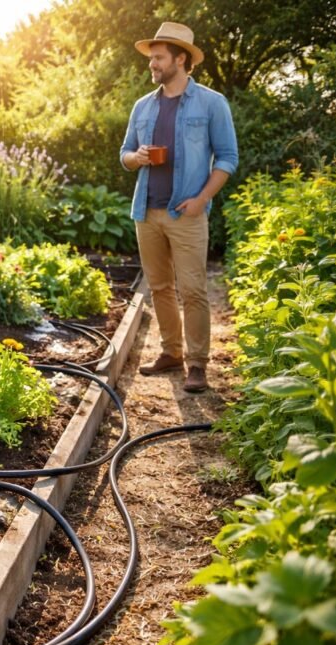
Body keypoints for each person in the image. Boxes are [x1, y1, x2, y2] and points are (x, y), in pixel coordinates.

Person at [120, 22, 238, 393]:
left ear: (180, 58)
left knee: (193, 290)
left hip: (186, 213)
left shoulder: (211, 103)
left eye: (158, 58)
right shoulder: (143, 106)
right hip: (147, 211)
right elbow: (124, 155)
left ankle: (198, 364)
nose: (151, 64)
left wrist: (202, 199)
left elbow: (228, 158)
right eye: (151, 58)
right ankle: (171, 352)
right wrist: (136, 158)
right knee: (159, 287)